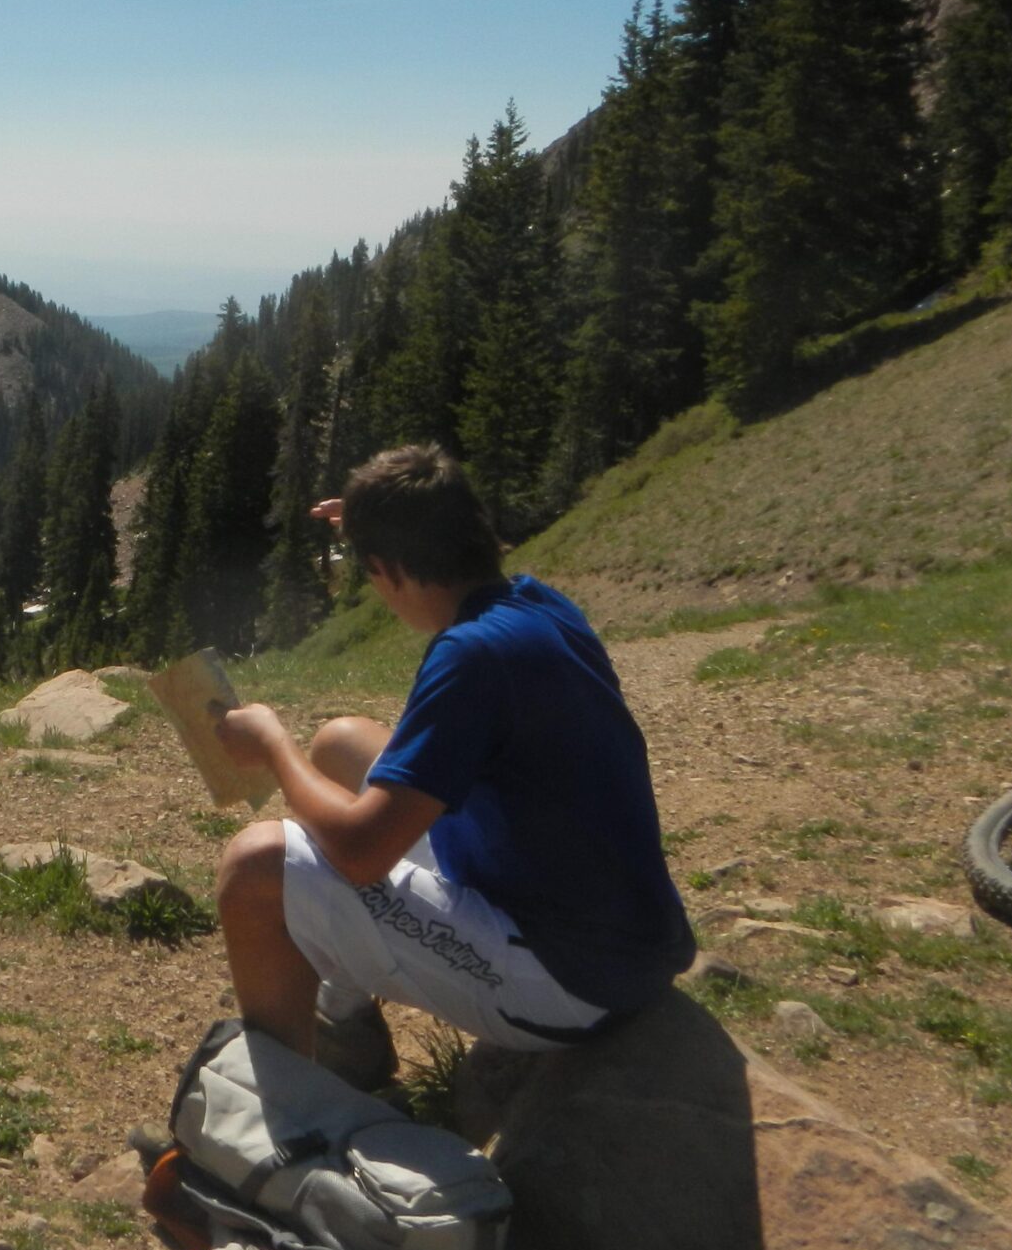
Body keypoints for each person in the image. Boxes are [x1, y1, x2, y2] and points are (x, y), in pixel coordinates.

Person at [211, 443, 694, 1082]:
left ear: (387, 572)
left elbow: (360, 854)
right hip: (621, 938)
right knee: (342, 743)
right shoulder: (534, 605)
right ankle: (344, 1027)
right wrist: (369, 516)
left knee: (255, 866)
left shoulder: (470, 658)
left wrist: (275, 747)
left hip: (570, 982)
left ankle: (290, 1107)